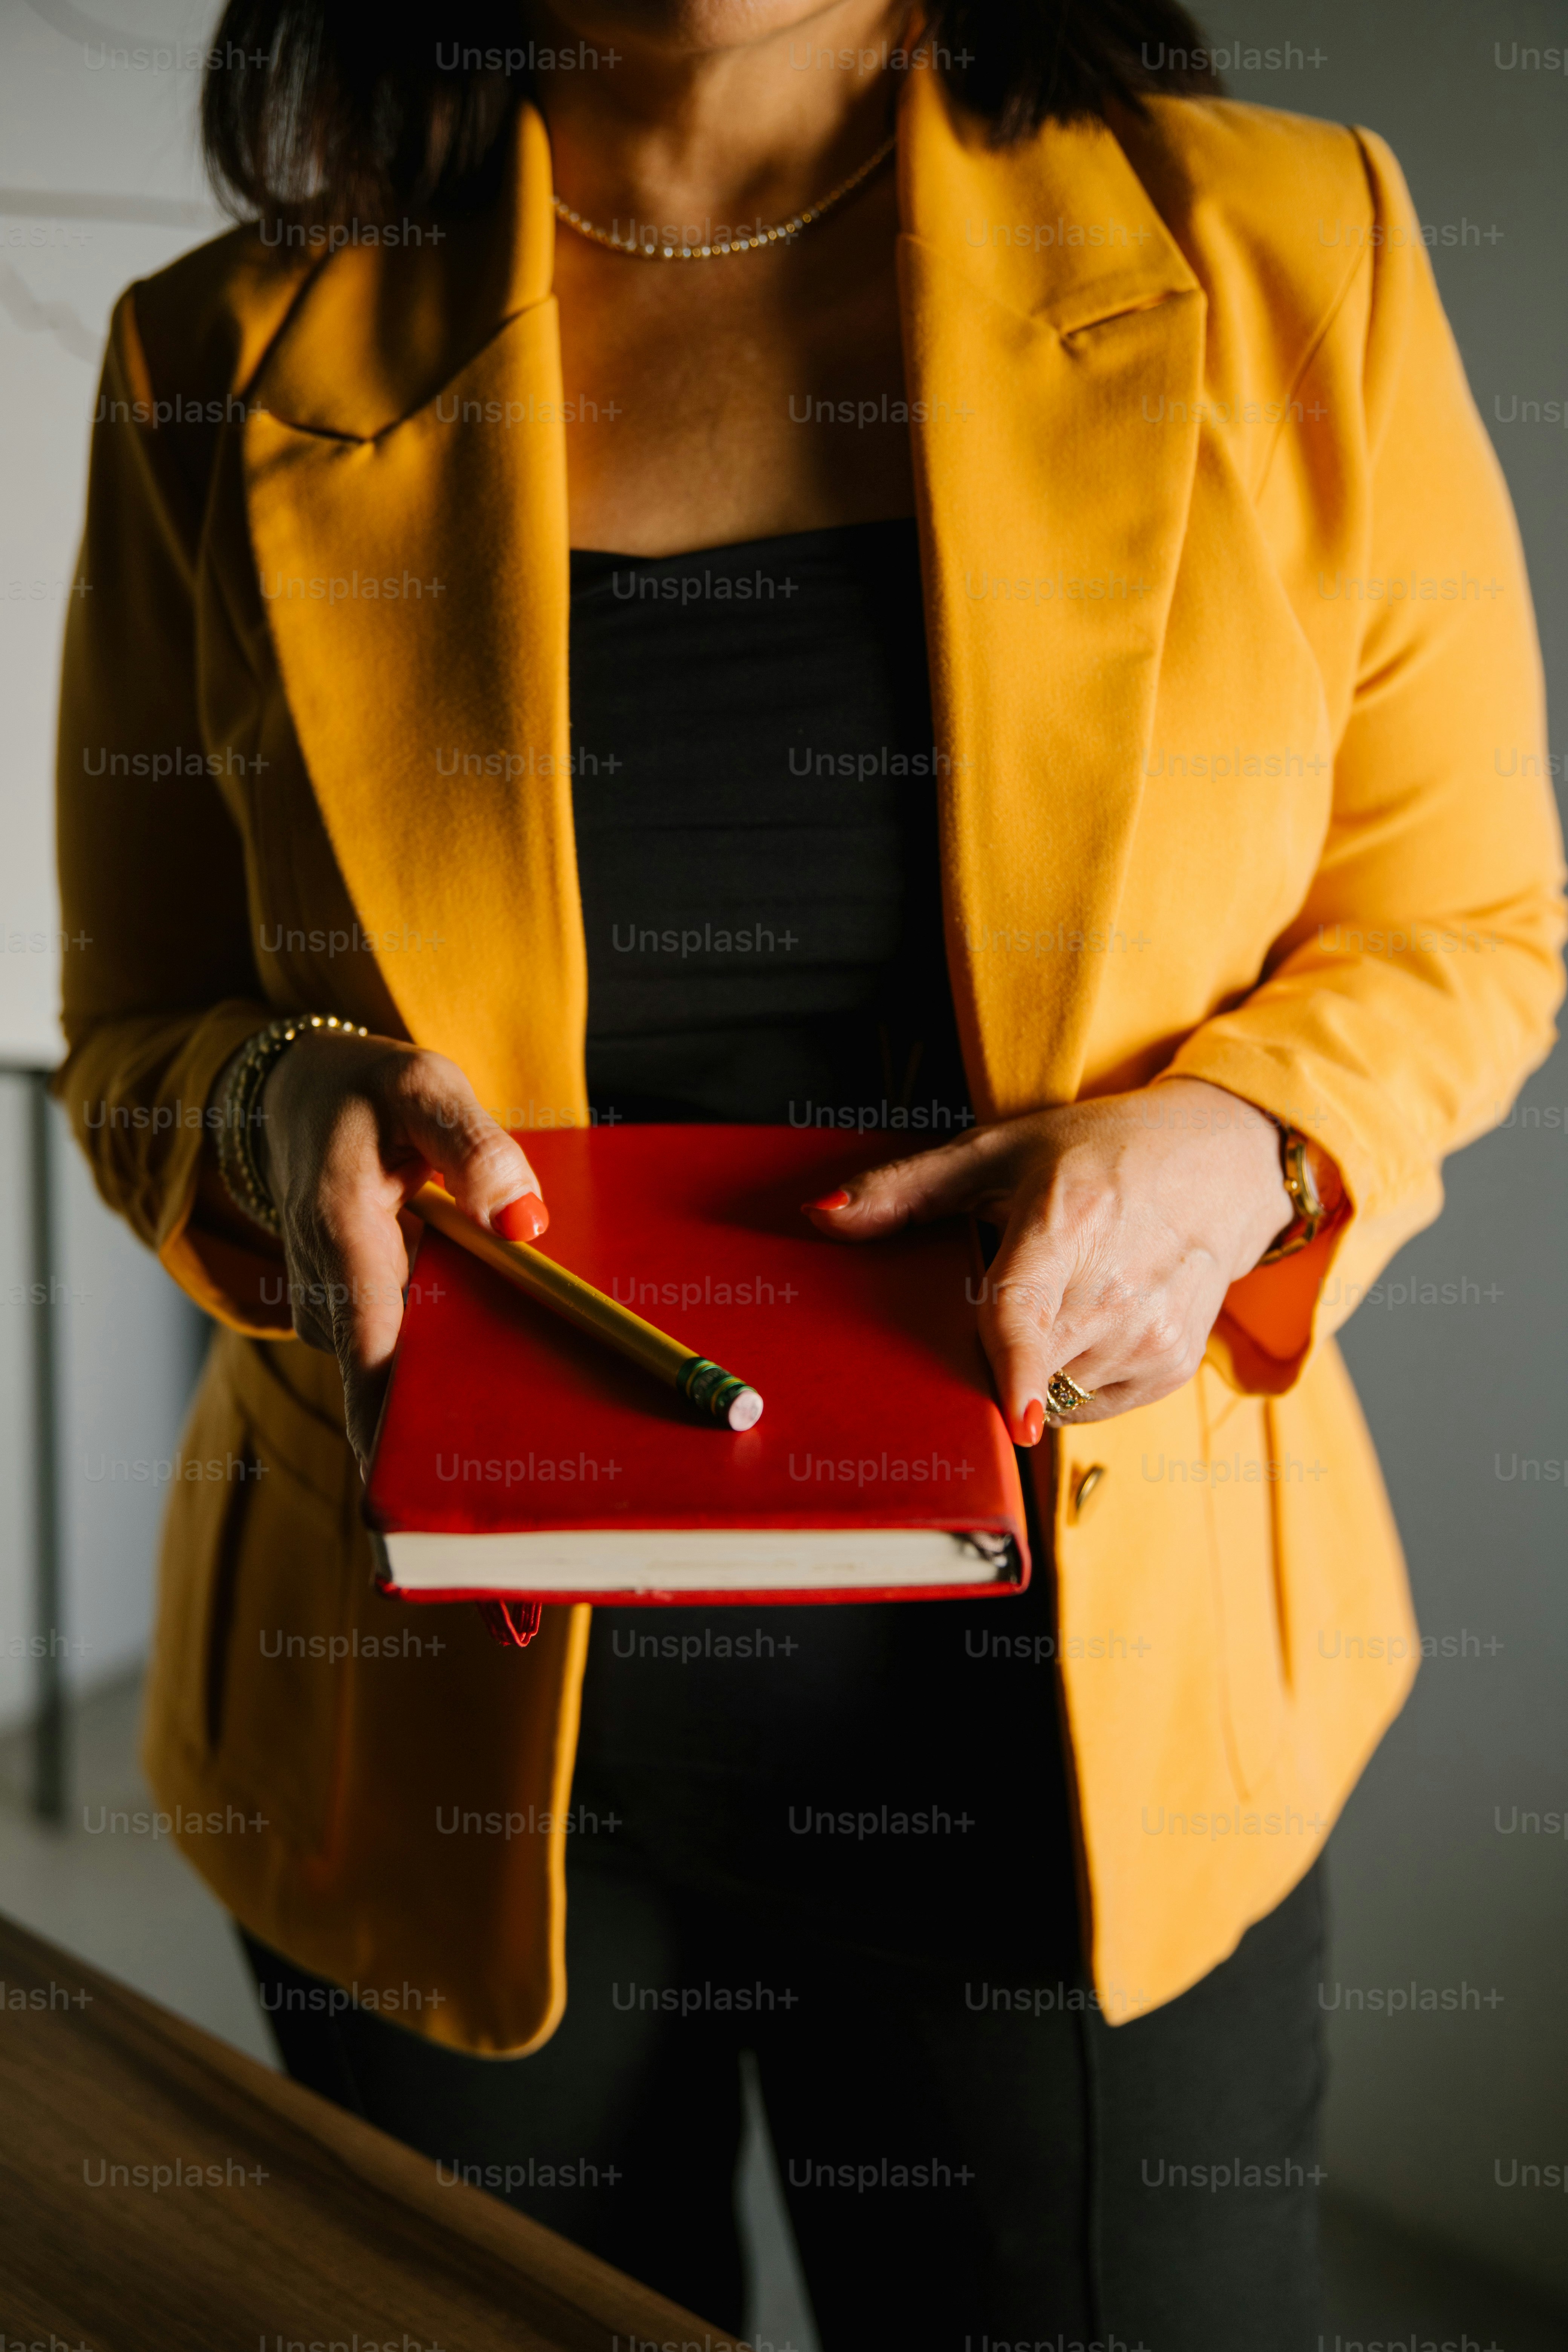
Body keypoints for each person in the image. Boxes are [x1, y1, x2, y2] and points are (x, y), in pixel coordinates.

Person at [57, 0, 1563, 2344]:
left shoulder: (1293, 245)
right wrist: (269, 1101)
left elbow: (1469, 925)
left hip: (1080, 1725)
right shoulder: (216, 355)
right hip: (421, 1712)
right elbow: (139, 1025)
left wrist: (1255, 1140)